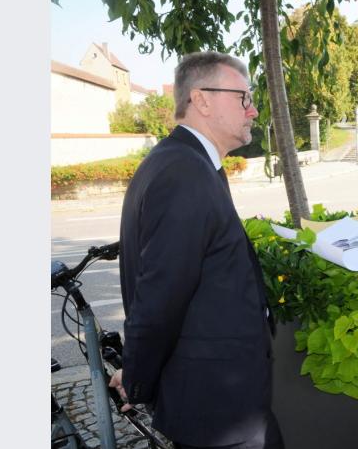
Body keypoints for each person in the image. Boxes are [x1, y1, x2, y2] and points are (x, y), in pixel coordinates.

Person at [109, 51, 284, 449]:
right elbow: (159, 296)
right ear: (201, 99)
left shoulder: (186, 163)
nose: (253, 110)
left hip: (224, 401)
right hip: (218, 412)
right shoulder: (183, 173)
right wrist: (136, 379)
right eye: (243, 98)